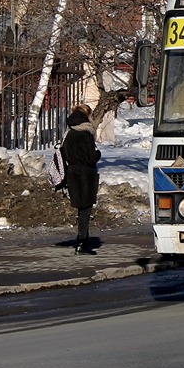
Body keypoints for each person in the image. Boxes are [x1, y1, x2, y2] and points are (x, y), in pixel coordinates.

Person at [60, 104, 102, 255]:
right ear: (87, 116)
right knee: (85, 209)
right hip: (86, 174)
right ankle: (82, 243)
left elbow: (63, 153)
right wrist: (98, 154)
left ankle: (83, 240)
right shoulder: (86, 134)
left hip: (72, 173)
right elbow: (91, 158)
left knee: (80, 208)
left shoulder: (69, 133)